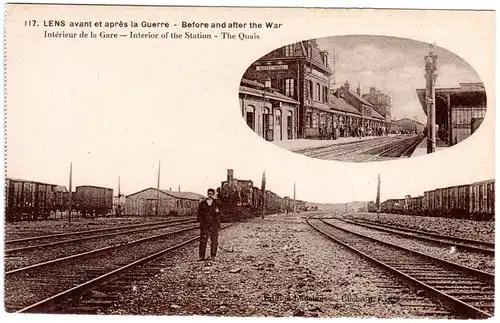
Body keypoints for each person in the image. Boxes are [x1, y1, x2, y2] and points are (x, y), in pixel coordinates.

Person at [197, 188, 220, 261]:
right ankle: (201, 257)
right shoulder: (203, 203)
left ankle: (213, 256)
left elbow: (220, 212)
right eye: (208, 194)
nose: (210, 195)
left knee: (214, 241)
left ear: (213, 194)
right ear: (207, 194)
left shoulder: (217, 203)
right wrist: (201, 221)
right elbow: (199, 213)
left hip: (214, 225)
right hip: (205, 225)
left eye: (211, 194)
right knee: (203, 240)